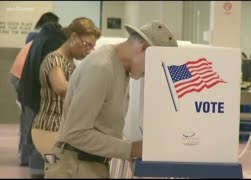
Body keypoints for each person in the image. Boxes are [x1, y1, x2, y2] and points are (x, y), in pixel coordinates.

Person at [45, 21, 178, 178]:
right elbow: (75, 132)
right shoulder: (101, 68)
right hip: (74, 167)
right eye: (153, 65)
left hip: (89, 165)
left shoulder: (121, 70)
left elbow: (103, 125)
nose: (148, 73)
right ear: (142, 48)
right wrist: (132, 149)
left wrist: (128, 152)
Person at [31, 17, 101, 158]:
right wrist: (92, 90)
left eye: (91, 47)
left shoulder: (70, 62)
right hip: (50, 129)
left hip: (59, 129)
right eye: (87, 44)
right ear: (74, 37)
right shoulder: (55, 59)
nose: (88, 50)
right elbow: (62, 88)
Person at [18, 22, 67, 179]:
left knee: (35, 139)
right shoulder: (54, 43)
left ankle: (36, 169)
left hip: (29, 95)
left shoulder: (38, 39)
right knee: (44, 144)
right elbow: (55, 81)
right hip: (41, 101)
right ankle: (41, 172)